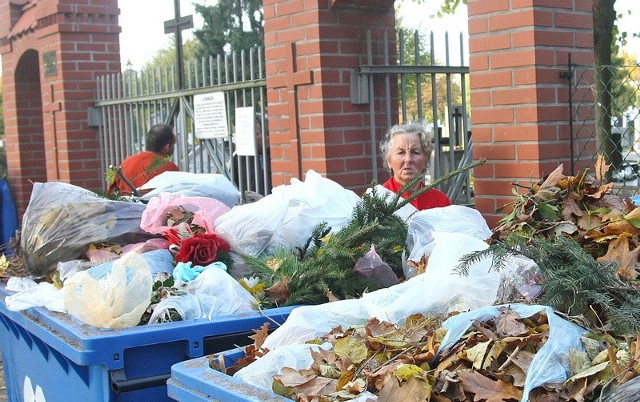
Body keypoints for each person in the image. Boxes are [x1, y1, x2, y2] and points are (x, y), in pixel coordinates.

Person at [380, 122, 452, 210]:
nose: (408, 159)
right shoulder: (377, 201)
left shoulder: (440, 202)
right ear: (389, 161)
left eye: (415, 152)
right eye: (401, 152)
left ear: (426, 159)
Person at [107, 124, 179, 196]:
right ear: (167, 146)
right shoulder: (170, 169)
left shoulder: (125, 164)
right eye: (173, 144)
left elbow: (110, 197)